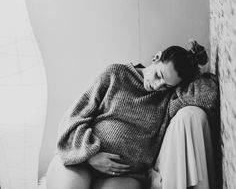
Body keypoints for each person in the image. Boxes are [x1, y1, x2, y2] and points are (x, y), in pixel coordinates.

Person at [46, 39, 219, 189]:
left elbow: (210, 94)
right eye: (159, 76)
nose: (158, 86)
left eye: (166, 85)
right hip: (82, 158)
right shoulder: (116, 74)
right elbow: (74, 117)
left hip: (124, 175)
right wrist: (90, 155)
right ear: (156, 57)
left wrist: (191, 76)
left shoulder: (169, 98)